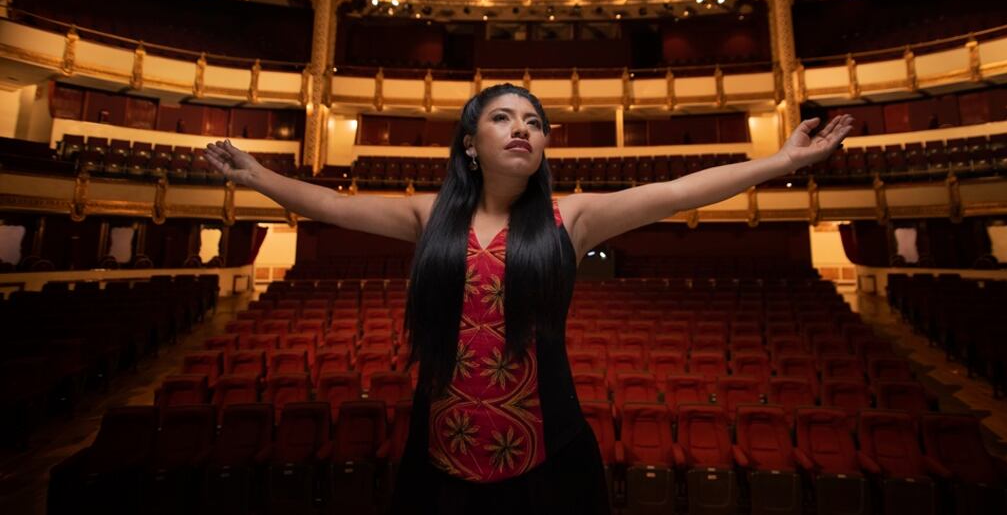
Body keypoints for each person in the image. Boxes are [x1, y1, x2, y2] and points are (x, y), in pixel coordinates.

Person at [205, 83, 853, 514]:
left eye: (535, 123)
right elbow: (328, 204)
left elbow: (682, 191)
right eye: (503, 118)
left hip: (549, 452)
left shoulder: (574, 218)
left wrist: (782, 162)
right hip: (440, 451)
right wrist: (259, 175)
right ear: (469, 144)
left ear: (543, 146)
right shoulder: (428, 215)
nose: (523, 129)